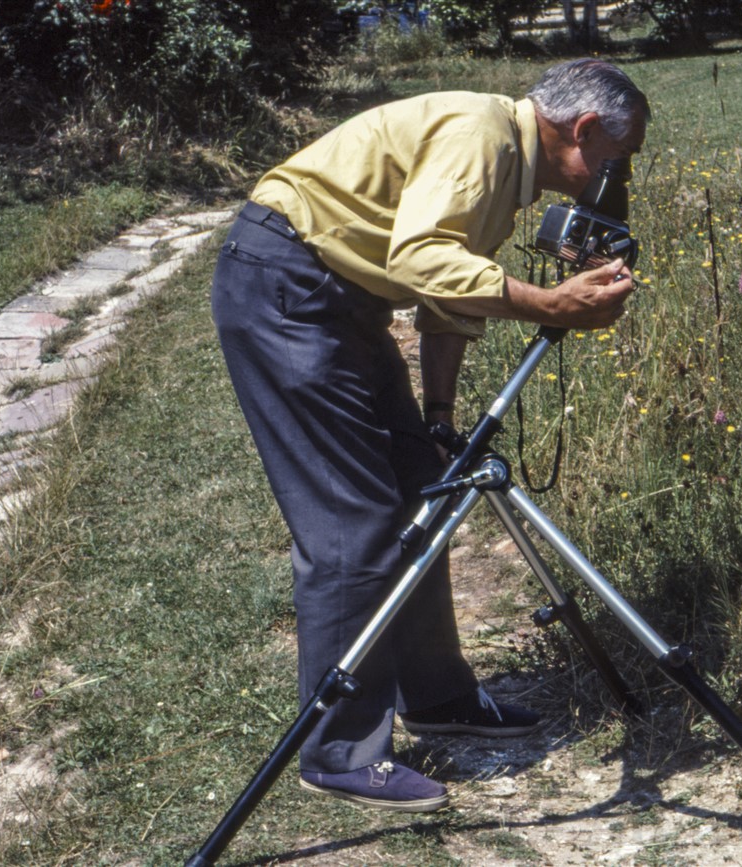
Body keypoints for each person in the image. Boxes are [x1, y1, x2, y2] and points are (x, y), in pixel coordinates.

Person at [210, 59, 650, 813]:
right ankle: (341, 751)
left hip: (336, 298)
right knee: (354, 521)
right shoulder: (482, 137)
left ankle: (439, 695)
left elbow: (448, 295)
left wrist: (439, 418)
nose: (620, 175)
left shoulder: (507, 167)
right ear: (582, 133)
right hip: (290, 287)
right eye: (619, 155)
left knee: (422, 486)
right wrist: (549, 299)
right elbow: (420, 259)